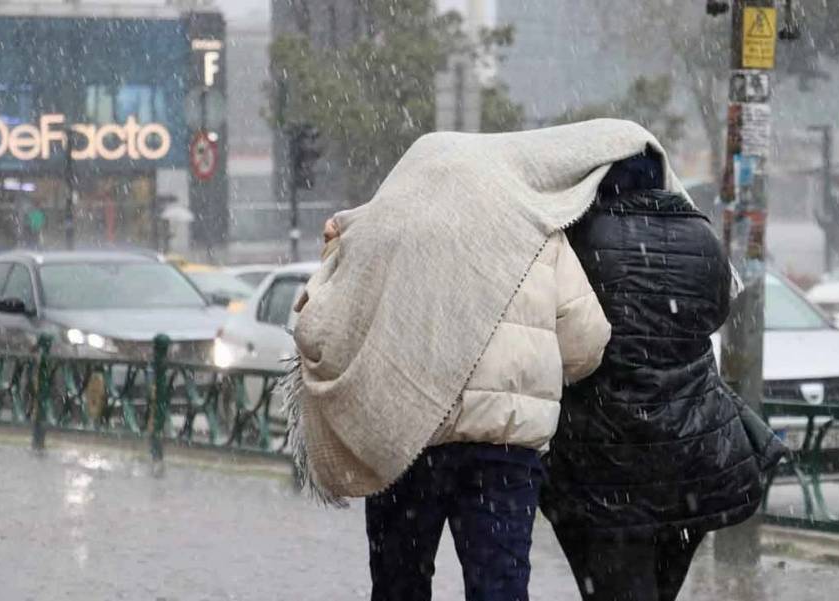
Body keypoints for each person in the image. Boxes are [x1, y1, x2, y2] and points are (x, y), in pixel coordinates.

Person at [293, 121, 674, 601]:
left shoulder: (387, 233)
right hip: (503, 448)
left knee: (399, 583)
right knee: (499, 587)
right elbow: (587, 343)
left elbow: (327, 323)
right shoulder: (537, 235)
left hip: (409, 441)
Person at [540, 150, 784, 601]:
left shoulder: (580, 238)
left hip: (606, 453)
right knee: (659, 585)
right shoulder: (703, 235)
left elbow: (567, 331)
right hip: (689, 451)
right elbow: (713, 315)